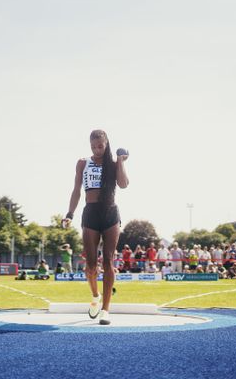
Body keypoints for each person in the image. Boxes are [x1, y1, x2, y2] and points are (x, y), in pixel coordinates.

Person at [62, 129, 129, 325]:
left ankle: (106, 310)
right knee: (91, 265)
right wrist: (69, 214)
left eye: (100, 146)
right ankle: (95, 296)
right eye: (93, 146)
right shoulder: (83, 163)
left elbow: (124, 184)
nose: (97, 149)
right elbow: (76, 190)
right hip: (90, 213)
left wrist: (121, 162)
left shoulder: (114, 164)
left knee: (108, 261)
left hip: (110, 214)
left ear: (107, 144)